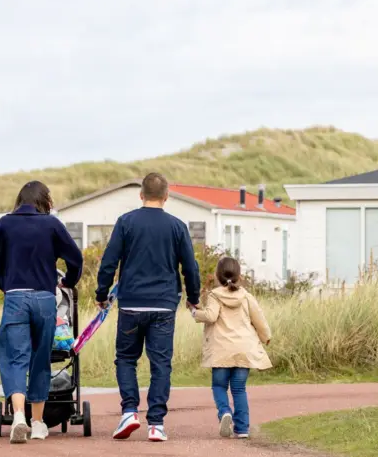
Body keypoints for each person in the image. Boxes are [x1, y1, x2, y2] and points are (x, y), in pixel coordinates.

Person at [95, 172, 201, 442]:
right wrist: (193, 296)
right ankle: (156, 423)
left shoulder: (126, 222)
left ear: (141, 195)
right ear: (166, 197)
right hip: (164, 305)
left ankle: (130, 411)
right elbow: (190, 266)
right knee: (161, 363)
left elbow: (109, 261)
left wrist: (102, 293)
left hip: (131, 303)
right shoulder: (177, 226)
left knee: (127, 359)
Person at [0, 181, 83, 444]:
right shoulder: (51, 225)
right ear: (44, 201)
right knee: (41, 358)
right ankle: (38, 423)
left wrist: (6, 285)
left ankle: (18, 416)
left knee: (15, 358)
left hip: (16, 297)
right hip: (44, 298)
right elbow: (76, 258)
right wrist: (68, 281)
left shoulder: (5, 223)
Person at [191, 256, 271, 439]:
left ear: (218, 276)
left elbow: (211, 316)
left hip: (221, 351)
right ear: (239, 275)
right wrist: (266, 336)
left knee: (219, 386)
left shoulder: (214, 295)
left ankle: (225, 412)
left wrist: (195, 312)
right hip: (244, 349)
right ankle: (242, 429)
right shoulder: (246, 297)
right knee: (239, 389)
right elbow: (259, 319)